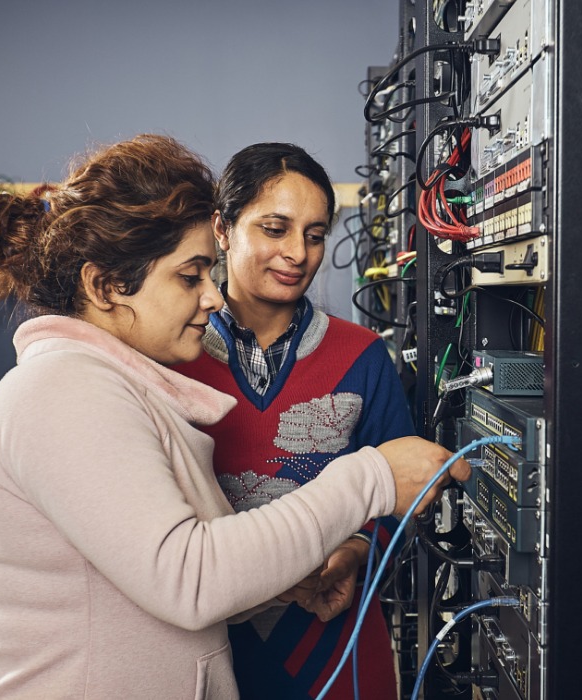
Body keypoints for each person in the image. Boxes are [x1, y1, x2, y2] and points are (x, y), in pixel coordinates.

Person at [0, 134, 467, 699]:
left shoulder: (116, 383)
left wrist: (300, 575)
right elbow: (191, 575)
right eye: (190, 276)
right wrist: (370, 477)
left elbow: (169, 566)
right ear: (103, 286)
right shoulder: (64, 392)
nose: (212, 297)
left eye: (315, 235)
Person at [173, 142, 411, 699]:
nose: (297, 253)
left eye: (314, 234)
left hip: (334, 644)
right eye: (275, 228)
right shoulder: (172, 355)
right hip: (204, 647)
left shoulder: (363, 356)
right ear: (223, 228)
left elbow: (403, 493)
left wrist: (354, 551)